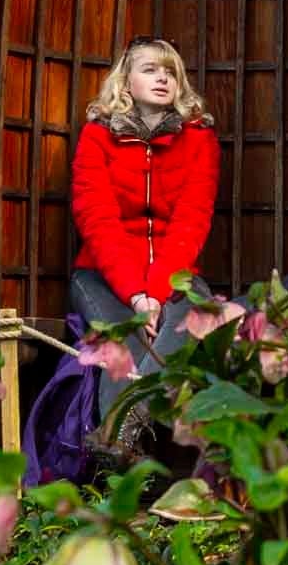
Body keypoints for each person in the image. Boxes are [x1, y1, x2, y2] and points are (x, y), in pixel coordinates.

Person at [67, 37, 219, 399]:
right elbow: (97, 220)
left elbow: (192, 222)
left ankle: (118, 436)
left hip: (177, 277)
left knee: (186, 322)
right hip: (103, 275)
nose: (162, 78)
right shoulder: (97, 137)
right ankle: (117, 442)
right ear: (126, 82)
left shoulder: (200, 141)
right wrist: (138, 298)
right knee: (126, 339)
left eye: (171, 72)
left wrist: (157, 293)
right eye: (150, 69)